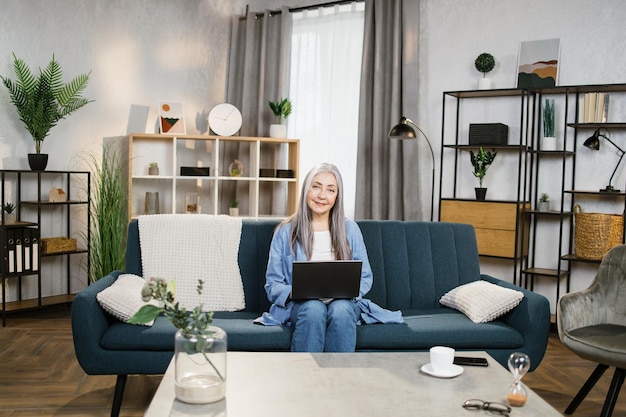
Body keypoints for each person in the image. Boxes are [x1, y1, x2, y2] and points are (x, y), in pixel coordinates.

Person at [255, 162, 374, 352]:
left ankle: (339, 379)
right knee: (313, 308)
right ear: (306, 191)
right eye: (316, 186)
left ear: (337, 196)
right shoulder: (285, 232)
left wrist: (347, 290)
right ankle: (305, 377)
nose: (322, 195)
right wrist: (297, 291)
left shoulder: (351, 230)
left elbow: (365, 277)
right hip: (300, 306)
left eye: (330, 190)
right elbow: (272, 285)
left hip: (343, 304)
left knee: (341, 309)